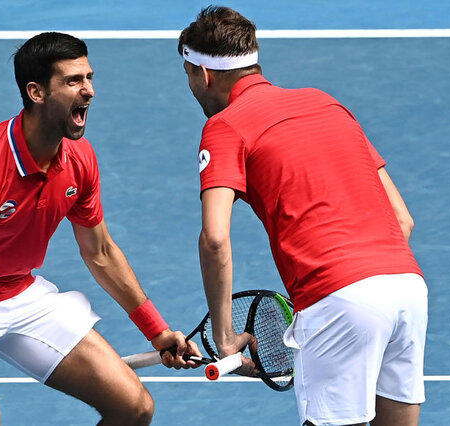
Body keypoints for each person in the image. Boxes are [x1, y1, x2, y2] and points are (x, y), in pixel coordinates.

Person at [0, 31, 199, 425]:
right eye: (73, 81)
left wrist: (157, 330)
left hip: (23, 293)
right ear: (36, 92)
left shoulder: (79, 157)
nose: (89, 91)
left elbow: (100, 252)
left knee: (134, 409)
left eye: (89, 77)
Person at [178, 7, 428, 426]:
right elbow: (402, 220)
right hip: (407, 289)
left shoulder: (225, 126)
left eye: (187, 75)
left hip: (339, 297)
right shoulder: (327, 103)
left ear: (203, 74)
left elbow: (215, 239)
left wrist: (225, 338)